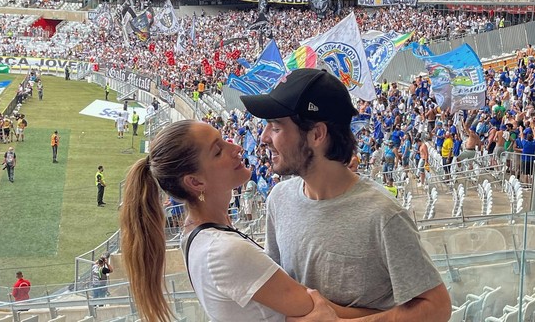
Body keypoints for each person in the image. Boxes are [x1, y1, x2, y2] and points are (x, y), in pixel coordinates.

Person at [240, 68, 451, 322]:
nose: (263, 137)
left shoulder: (383, 215)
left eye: (275, 127)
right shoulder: (278, 199)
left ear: (317, 134)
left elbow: (437, 307)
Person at [120, 119, 376, 322]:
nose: (237, 148)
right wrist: (395, 314)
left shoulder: (201, 236)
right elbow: (326, 314)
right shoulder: (224, 250)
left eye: (224, 139)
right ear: (195, 182)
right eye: (218, 151)